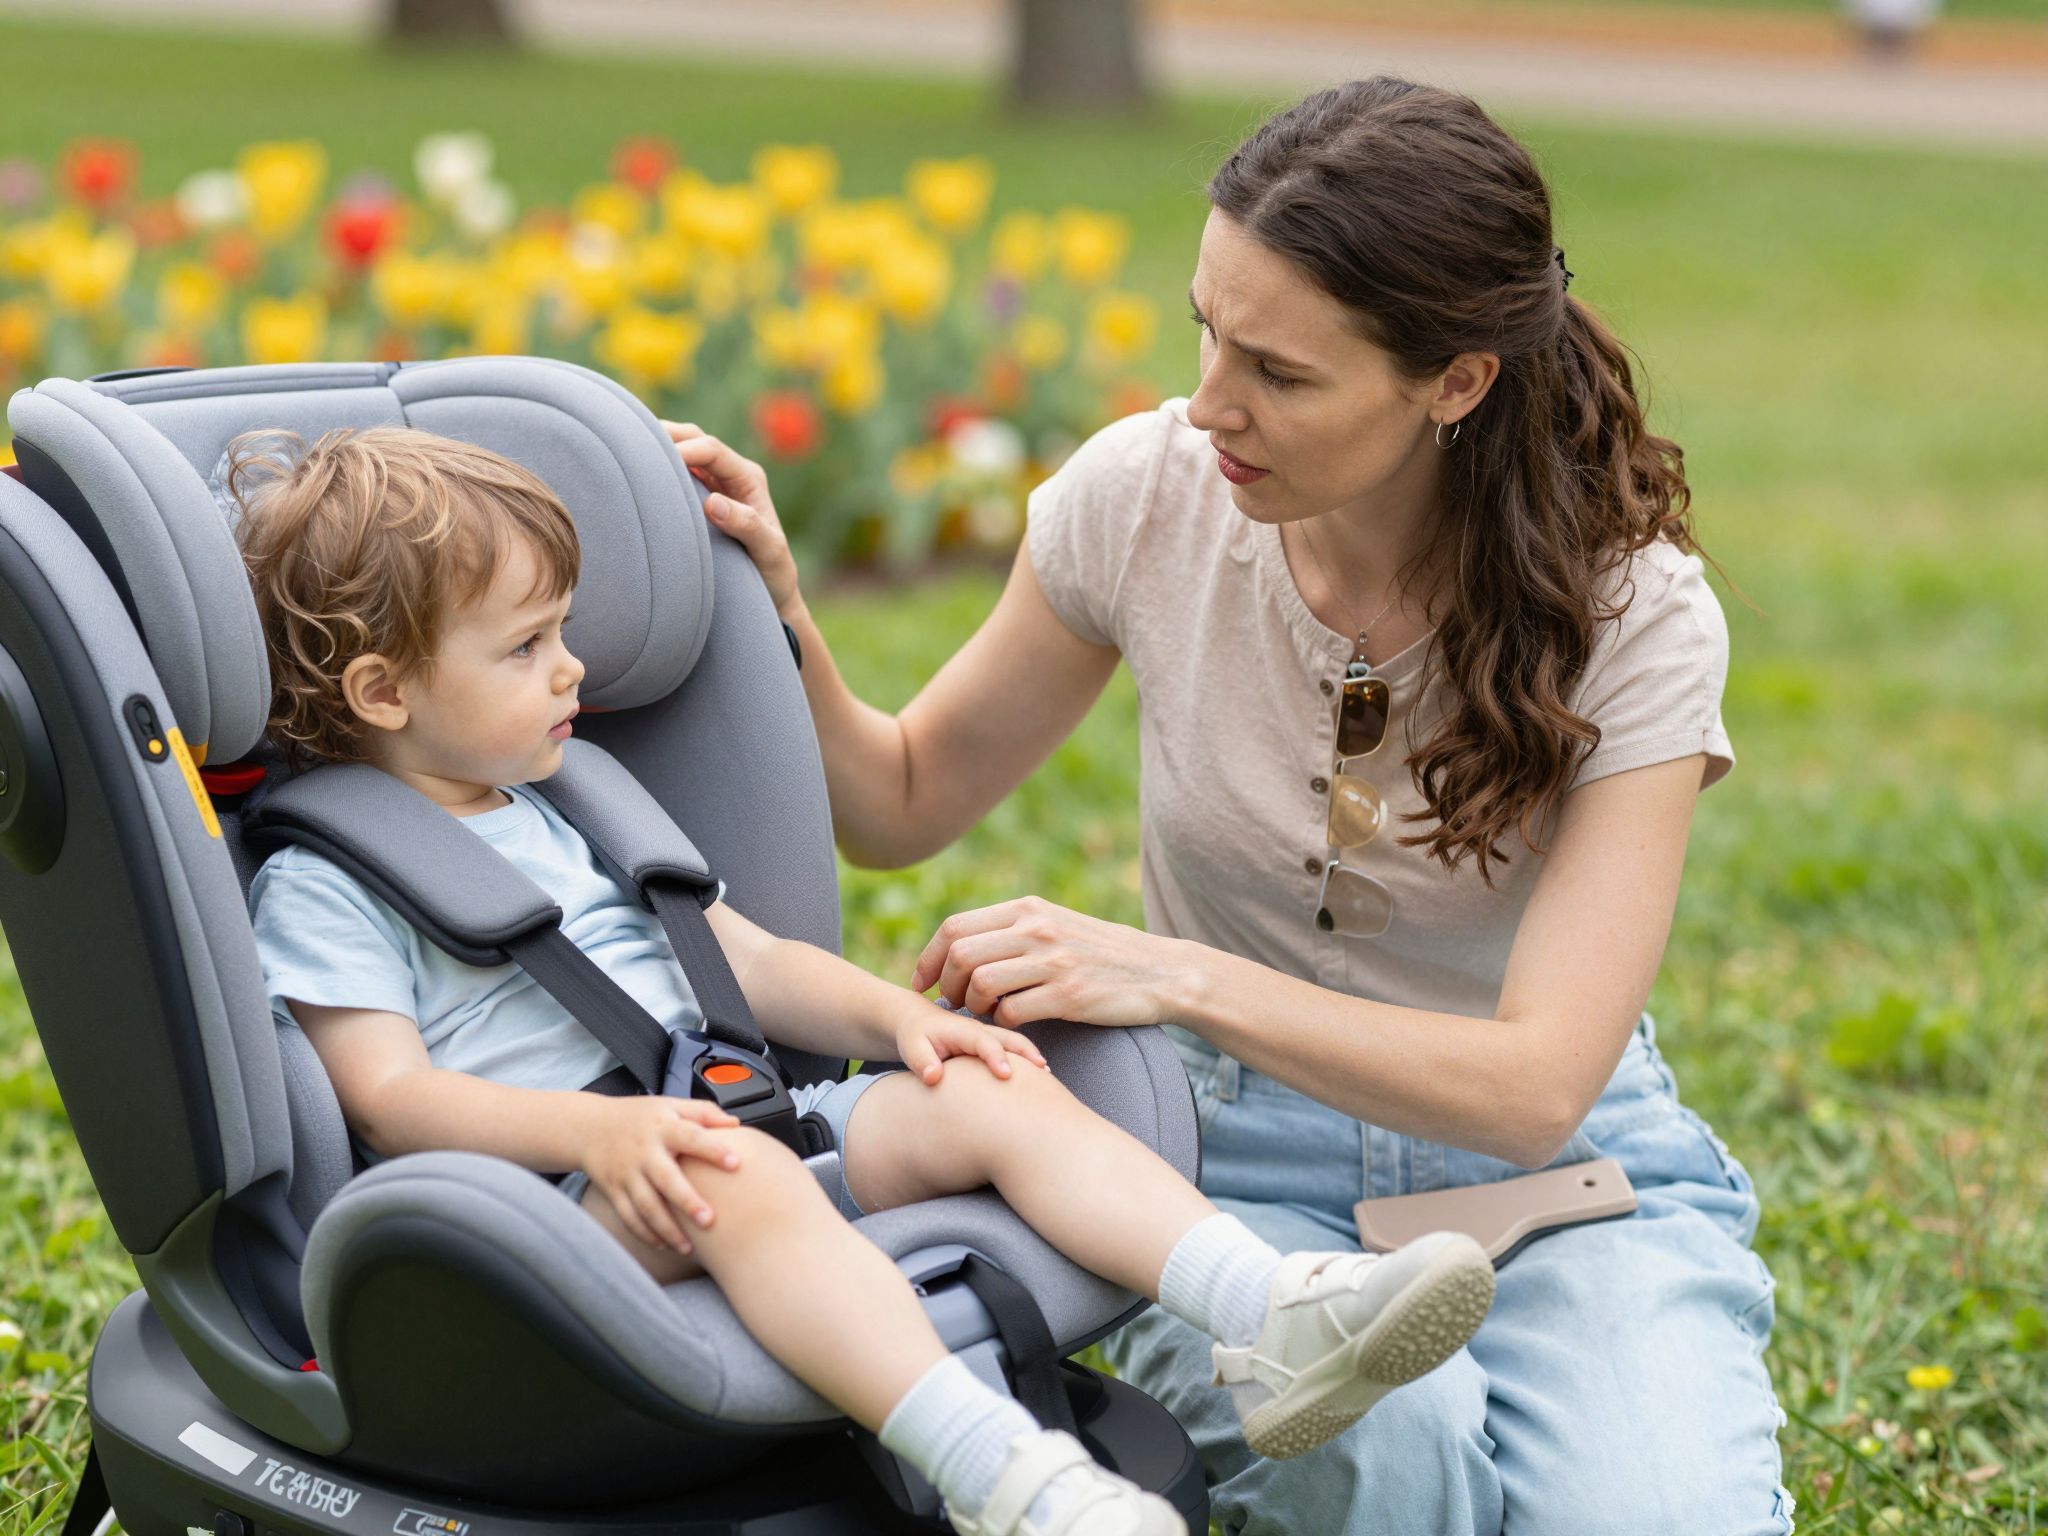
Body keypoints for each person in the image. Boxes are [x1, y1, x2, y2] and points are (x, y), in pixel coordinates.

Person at [667, 77, 1793, 1535]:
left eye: (1279, 371)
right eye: (1208, 328)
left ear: (1455, 381)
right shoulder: (1147, 495)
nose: (1208, 406)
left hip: (1555, 1183)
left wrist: (1169, 970)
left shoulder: (1631, 608)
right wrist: (783, 612)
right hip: (1225, 1173)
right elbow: (899, 800)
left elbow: (1536, 1084)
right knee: (1394, 1469)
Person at [231, 424, 1496, 1536]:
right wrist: (598, 1131)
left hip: (730, 1128)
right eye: (523, 648)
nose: (571, 670)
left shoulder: (562, 811)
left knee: (991, 1087)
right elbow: (387, 1100)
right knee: (740, 1176)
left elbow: (750, 962)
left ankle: (1269, 1315)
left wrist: (904, 1023)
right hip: (550, 1214)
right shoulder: (330, 881)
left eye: (561, 632)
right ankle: (1003, 1475)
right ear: (383, 692)